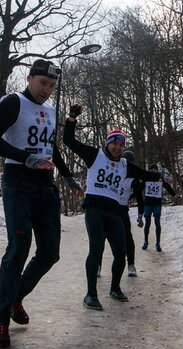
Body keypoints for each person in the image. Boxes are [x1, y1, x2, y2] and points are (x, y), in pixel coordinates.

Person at [0, 58, 82, 349]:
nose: (46, 90)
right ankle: (0, 320)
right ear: (29, 79)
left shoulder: (51, 111)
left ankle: (16, 296)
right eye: (42, 83)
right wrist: (24, 157)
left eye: (51, 86)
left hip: (45, 185)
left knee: (50, 253)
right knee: (18, 248)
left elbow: (50, 147)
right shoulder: (13, 102)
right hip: (18, 182)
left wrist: (67, 176)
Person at [62, 104, 166, 310]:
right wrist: (71, 119)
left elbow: (144, 174)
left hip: (114, 211)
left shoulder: (125, 165)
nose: (118, 147)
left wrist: (159, 176)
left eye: (121, 144)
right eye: (114, 143)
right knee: (97, 249)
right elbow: (68, 141)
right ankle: (91, 294)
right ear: (108, 144)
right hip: (94, 208)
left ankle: (115, 288)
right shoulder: (95, 155)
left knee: (121, 251)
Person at [138, 164, 176, 252]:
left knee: (157, 223)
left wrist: (174, 194)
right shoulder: (146, 179)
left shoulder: (160, 179)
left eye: (154, 171)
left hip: (157, 204)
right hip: (147, 204)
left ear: (156, 171)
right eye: (151, 171)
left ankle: (158, 243)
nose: (153, 172)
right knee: (147, 224)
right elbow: (139, 189)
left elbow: (168, 187)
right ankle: (145, 242)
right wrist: (130, 195)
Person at [122, 150, 145, 277]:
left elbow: (139, 199)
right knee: (101, 238)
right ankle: (98, 264)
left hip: (123, 210)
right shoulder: (115, 172)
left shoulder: (134, 179)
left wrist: (140, 215)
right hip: (109, 209)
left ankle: (131, 265)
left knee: (128, 238)